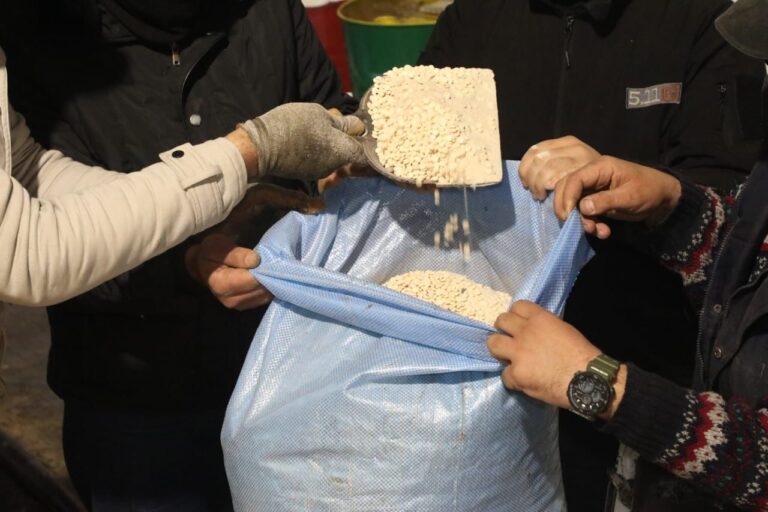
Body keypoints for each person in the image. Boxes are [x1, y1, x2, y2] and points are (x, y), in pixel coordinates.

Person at [0, 0, 361, 509]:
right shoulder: (34, 32)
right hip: (140, 399)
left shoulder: (268, 13)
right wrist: (248, 152)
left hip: (289, 376)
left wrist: (215, 211)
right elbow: (27, 249)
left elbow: (30, 169)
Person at [418, 0, 765, 506]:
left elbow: (755, 458)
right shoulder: (472, 18)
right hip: (489, 367)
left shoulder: (705, 26)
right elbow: (746, 238)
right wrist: (671, 201)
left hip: (637, 377)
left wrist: (602, 384)